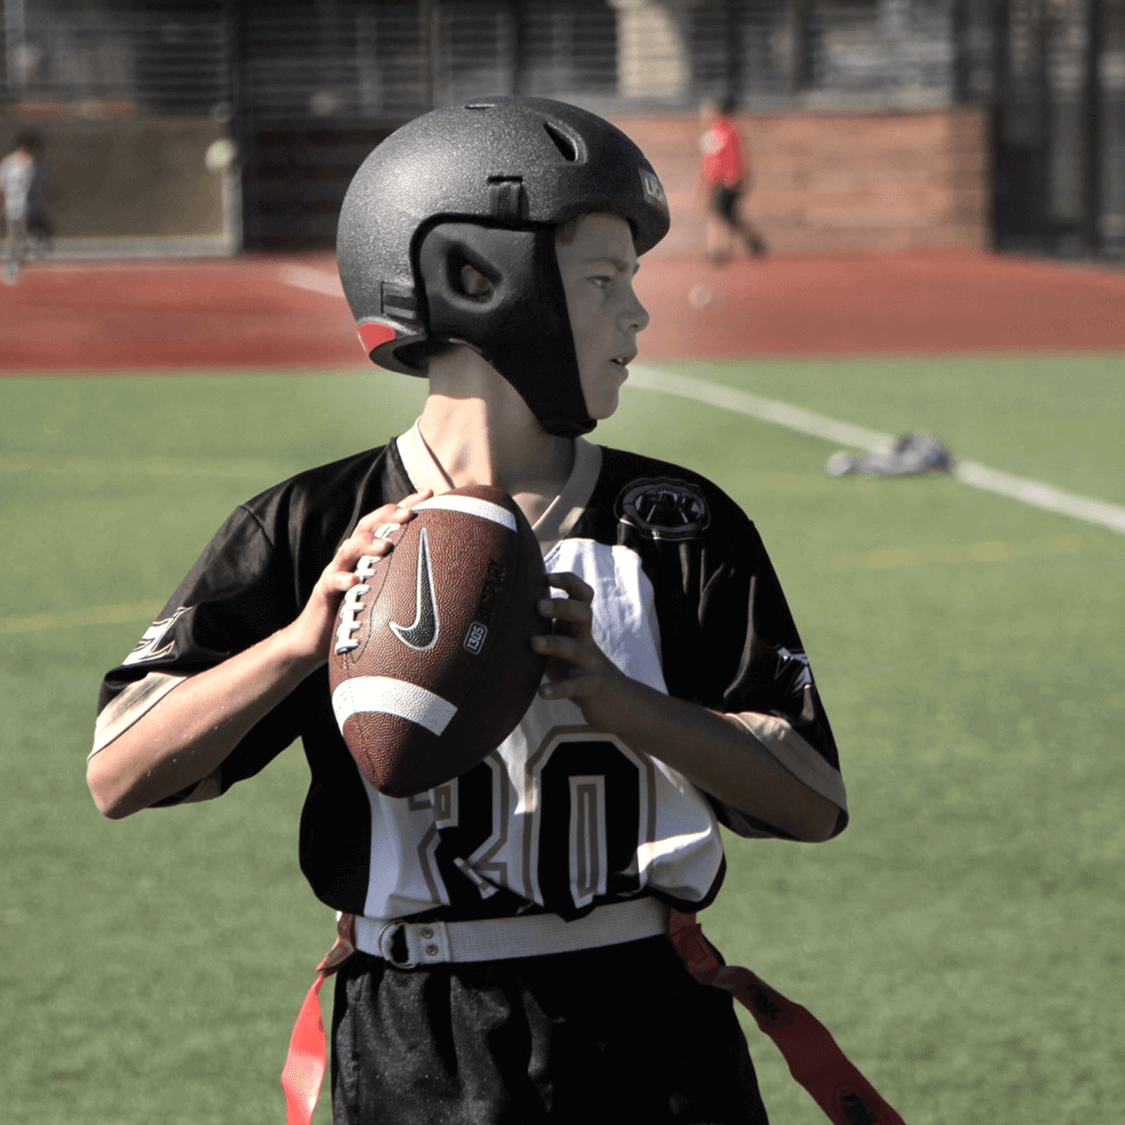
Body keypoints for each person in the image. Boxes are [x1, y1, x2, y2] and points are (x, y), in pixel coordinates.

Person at [88, 96, 847, 1124]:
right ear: (477, 283)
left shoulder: (680, 523)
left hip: (651, 1023)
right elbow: (121, 774)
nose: (638, 316)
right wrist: (305, 643)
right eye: (601, 282)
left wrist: (627, 704)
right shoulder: (314, 525)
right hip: (413, 1033)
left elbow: (810, 800)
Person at [697, 97, 768, 264]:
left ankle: (721, 250)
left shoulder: (727, 129)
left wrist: (732, 178)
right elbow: (707, 161)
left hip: (726, 182)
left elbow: (733, 156)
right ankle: (747, 244)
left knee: (721, 215)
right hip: (716, 182)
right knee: (726, 216)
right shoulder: (714, 130)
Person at [1, 130, 51, 285]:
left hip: (20, 206)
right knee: (17, 238)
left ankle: (29, 250)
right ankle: (11, 267)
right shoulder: (26, 163)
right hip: (18, 206)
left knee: (20, 235)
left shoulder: (11, 162)